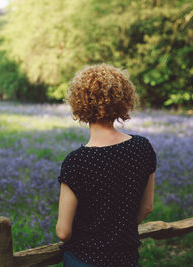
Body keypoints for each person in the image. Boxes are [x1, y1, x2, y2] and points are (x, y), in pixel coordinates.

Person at [56, 64, 156, 267]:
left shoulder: (77, 162)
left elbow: (63, 232)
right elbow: (147, 207)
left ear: (79, 103)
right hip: (127, 258)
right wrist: (118, 231)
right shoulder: (142, 147)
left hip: (86, 259)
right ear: (123, 100)